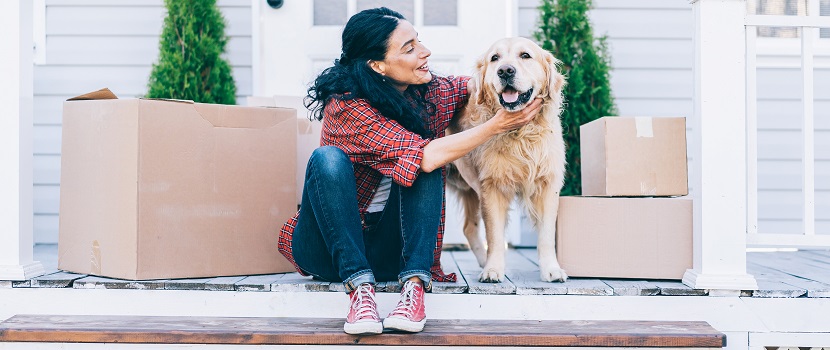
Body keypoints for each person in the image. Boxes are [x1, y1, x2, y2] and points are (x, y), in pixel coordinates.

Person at [278, 7, 542, 335]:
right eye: (409, 48)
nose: (425, 52)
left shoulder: (425, 91)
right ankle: (360, 292)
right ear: (378, 66)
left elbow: (474, 85)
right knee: (328, 159)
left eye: (420, 41)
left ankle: (414, 289)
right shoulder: (347, 107)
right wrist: (495, 125)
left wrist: (520, 79)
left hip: (391, 250)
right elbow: (423, 155)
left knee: (425, 161)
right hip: (328, 250)